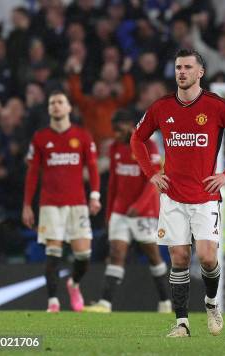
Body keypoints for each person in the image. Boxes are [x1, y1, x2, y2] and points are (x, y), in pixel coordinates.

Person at [130, 49, 225, 337]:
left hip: (205, 196)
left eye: (188, 67)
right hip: (173, 196)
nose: (182, 72)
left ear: (200, 72)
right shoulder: (162, 107)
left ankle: (212, 304)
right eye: (178, 67)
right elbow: (136, 138)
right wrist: (151, 174)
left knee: (207, 257)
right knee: (179, 258)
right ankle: (182, 323)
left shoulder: (217, 105)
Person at [83, 110, 171, 313]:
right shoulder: (115, 148)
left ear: (130, 125)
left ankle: (165, 302)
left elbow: (155, 181)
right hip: (120, 212)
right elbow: (113, 182)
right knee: (116, 253)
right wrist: (109, 214)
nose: (115, 134)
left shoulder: (148, 146)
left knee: (153, 257)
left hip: (145, 212)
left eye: (118, 129)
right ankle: (105, 303)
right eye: (114, 130)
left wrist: (139, 206)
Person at [22, 90, 101, 313]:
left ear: (68, 108)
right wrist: (27, 204)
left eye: (60, 102)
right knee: (53, 253)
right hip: (50, 204)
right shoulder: (40, 138)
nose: (56, 105)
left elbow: (93, 168)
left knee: (84, 256)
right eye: (52, 102)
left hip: (77, 204)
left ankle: (73, 283)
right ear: (49, 109)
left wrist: (95, 195)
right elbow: (32, 174)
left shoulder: (83, 136)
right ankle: (53, 301)